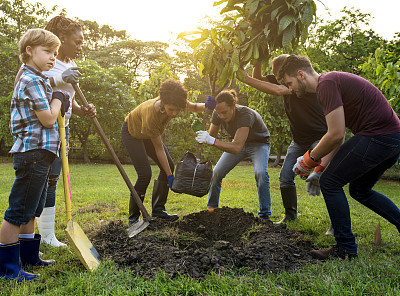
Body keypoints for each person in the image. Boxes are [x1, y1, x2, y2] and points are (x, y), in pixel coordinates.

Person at [278, 54, 400, 259]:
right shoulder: (329, 83)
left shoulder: (326, 85)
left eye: (289, 83)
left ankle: (345, 249)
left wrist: (308, 160)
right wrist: (319, 169)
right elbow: (337, 137)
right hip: (392, 138)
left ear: (301, 75)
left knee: (331, 183)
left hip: (378, 135)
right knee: (359, 189)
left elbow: (336, 134)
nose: (290, 89)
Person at [15, 16, 96, 247]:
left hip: (63, 128)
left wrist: (83, 110)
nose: (80, 47)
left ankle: (48, 235)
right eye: (77, 42)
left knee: (52, 179)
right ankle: (43, 235)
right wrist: (60, 78)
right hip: (42, 130)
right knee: (40, 182)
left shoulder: (69, 65)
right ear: (62, 40)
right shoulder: (42, 65)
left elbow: (66, 100)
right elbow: (27, 84)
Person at [0, 29, 70, 281]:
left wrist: (59, 96)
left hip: (42, 154)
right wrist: (59, 99)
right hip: (32, 153)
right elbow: (49, 119)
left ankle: (29, 257)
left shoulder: (40, 79)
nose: (53, 57)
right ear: (29, 51)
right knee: (17, 212)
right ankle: (8, 269)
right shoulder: (30, 80)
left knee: (32, 210)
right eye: (47, 52)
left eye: (55, 53)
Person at [240, 55, 332, 232]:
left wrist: (244, 79)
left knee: (327, 179)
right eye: (277, 76)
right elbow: (259, 77)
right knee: (285, 177)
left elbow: (276, 90)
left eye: (281, 76)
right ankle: (290, 215)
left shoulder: (296, 83)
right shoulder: (282, 79)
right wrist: (259, 54)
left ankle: (335, 223)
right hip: (298, 141)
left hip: (319, 138)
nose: (280, 80)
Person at [122, 78, 217, 224]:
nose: (174, 113)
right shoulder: (151, 114)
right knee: (145, 174)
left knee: (169, 165)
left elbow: (194, 107)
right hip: (132, 133)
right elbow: (159, 148)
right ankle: (133, 217)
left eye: (178, 110)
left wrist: (206, 105)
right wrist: (169, 176)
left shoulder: (178, 101)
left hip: (147, 134)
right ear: (163, 102)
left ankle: (158, 210)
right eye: (171, 109)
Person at [195, 89, 272, 220]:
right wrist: (202, 134)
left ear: (234, 106)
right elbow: (211, 136)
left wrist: (211, 140)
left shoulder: (246, 114)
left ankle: (264, 216)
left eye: (224, 112)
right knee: (216, 173)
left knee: (260, 173)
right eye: (218, 113)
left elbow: (236, 147)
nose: (221, 116)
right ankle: (212, 210)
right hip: (238, 142)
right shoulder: (217, 113)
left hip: (259, 143)